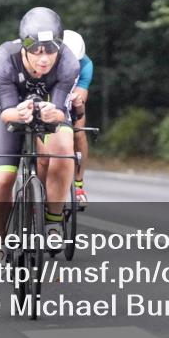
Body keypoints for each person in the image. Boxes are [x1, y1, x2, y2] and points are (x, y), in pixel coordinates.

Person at [0, 7, 79, 263]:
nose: (44, 59)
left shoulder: (68, 62)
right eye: (36, 50)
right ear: (24, 47)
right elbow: (6, 113)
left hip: (50, 105)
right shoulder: (4, 58)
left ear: (59, 46)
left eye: (50, 50)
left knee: (64, 151)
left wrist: (53, 113)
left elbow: (60, 111)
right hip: (10, 107)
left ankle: (53, 220)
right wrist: (19, 112)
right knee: (3, 178)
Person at [62, 30, 93, 209]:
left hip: (71, 97)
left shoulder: (86, 64)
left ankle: (79, 185)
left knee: (79, 132)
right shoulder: (47, 58)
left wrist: (76, 106)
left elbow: (80, 98)